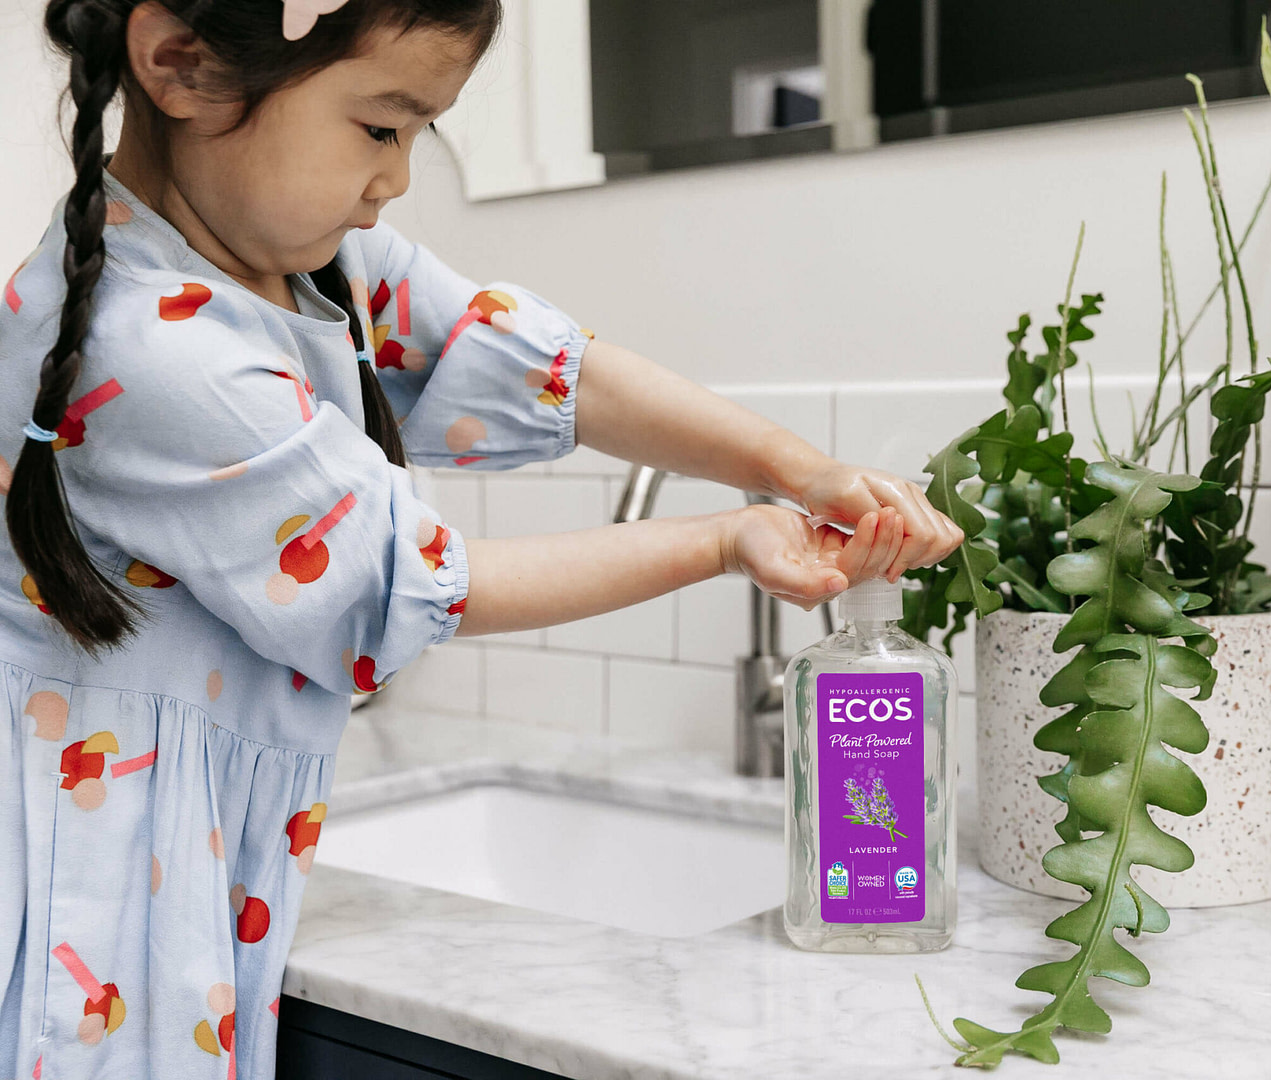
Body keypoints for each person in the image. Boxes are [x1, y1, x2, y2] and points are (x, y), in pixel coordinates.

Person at [0, 0, 965, 1074]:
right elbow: (410, 587)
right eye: (381, 126)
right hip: (96, 897)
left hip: (177, 861)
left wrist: (797, 469)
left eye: (421, 132)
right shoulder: (148, 348)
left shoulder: (303, 263)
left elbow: (541, 366)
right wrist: (725, 541)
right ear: (179, 64)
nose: (397, 177)